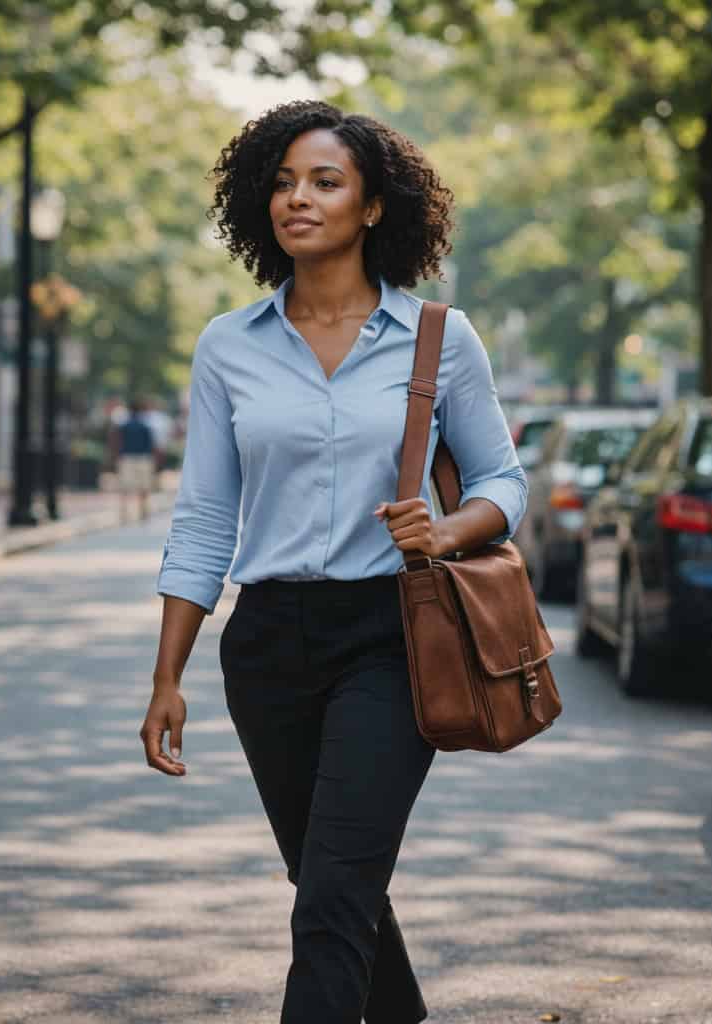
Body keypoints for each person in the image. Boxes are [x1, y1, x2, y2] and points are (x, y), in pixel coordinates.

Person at [139, 102, 527, 1023]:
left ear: (374, 206)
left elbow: (503, 482)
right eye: (280, 183)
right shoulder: (228, 345)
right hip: (267, 644)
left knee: (331, 899)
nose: (297, 200)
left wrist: (446, 531)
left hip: (391, 638)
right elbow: (202, 517)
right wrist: (167, 677)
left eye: (324, 181)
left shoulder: (438, 336)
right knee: (328, 880)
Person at [111, 397, 162, 519]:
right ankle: (143, 510)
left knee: (125, 486)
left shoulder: (124, 426)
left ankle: (124, 511)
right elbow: (152, 445)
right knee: (143, 486)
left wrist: (115, 456)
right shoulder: (145, 426)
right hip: (143, 458)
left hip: (127, 457)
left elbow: (116, 442)